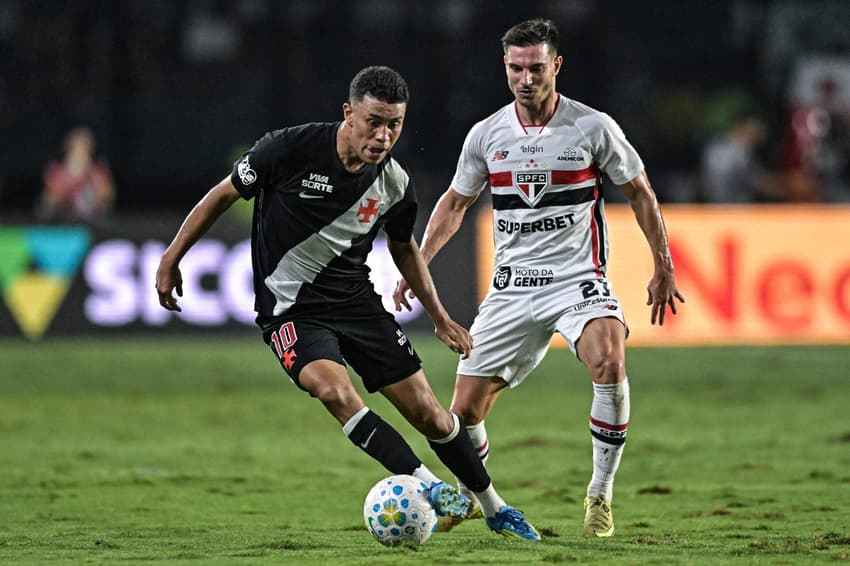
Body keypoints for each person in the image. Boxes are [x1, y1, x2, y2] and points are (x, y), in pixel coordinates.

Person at [155, 66, 540, 541]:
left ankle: (495, 507)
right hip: (291, 310)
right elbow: (222, 194)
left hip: (357, 304)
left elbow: (404, 248)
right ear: (348, 113)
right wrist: (172, 257)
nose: (383, 136)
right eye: (374, 122)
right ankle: (431, 487)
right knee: (334, 391)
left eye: (394, 125)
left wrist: (439, 316)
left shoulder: (396, 183)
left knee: (431, 414)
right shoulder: (288, 149)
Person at [394, 20, 685, 538]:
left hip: (578, 278)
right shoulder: (487, 134)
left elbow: (640, 192)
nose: (525, 79)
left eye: (535, 67)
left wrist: (662, 263)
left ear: (556, 66)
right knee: (463, 413)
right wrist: (422, 261)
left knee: (609, 358)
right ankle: (469, 496)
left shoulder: (593, 128)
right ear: (504, 67)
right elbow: (456, 203)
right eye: (515, 68)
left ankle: (600, 495)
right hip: (511, 286)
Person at [37, 126, 115, 224]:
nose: (81, 152)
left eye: (84, 148)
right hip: (64, 222)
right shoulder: (57, 171)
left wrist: (91, 178)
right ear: (69, 149)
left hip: (93, 221)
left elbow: (107, 197)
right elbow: (48, 201)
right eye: (77, 147)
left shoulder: (97, 171)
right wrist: (70, 181)